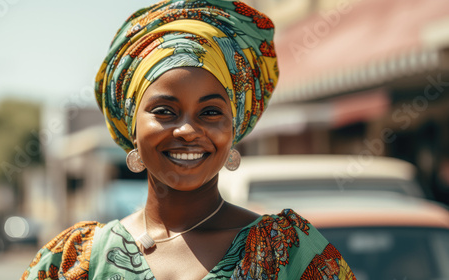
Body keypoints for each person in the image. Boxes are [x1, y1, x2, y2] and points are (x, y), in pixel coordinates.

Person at [21, 1, 356, 279]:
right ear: (131, 127)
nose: (187, 130)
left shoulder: (287, 251)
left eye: (210, 112)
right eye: (165, 111)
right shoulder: (76, 263)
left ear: (234, 128)